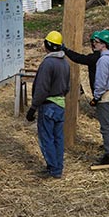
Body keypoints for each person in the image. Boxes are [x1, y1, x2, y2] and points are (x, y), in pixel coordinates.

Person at [25, 31, 70, 179]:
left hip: (48, 106)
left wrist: (33, 108)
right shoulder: (65, 63)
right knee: (58, 138)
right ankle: (58, 167)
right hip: (60, 105)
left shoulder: (48, 63)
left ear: (47, 45)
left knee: (47, 138)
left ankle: (53, 169)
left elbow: (42, 88)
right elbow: (67, 87)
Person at [89, 29, 109, 166]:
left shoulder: (103, 60)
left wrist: (96, 98)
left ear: (104, 44)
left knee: (106, 128)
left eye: (97, 42)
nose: (94, 44)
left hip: (106, 97)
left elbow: (100, 82)